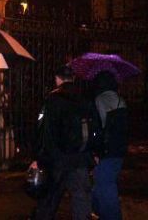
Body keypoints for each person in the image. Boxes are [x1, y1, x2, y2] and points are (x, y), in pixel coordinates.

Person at [29, 66, 93, 220]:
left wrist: (38, 157)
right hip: (79, 157)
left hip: (56, 158)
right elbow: (93, 127)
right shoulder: (84, 98)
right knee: (81, 198)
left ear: (57, 79)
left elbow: (42, 128)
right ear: (73, 78)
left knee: (50, 198)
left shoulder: (52, 99)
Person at [92, 71, 128, 220]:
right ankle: (99, 211)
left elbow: (99, 127)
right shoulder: (120, 100)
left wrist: (95, 150)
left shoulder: (99, 100)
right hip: (119, 148)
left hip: (105, 151)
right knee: (104, 183)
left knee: (105, 186)